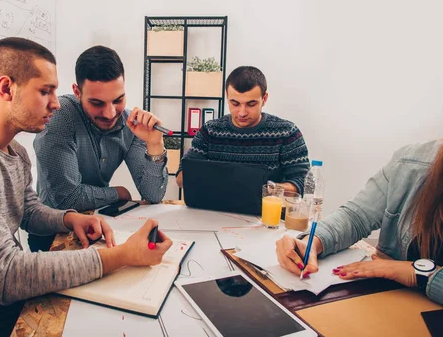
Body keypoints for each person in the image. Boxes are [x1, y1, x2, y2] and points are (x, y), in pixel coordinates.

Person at [0, 38, 173, 335]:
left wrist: (68, 218)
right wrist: (121, 256)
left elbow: (27, 210)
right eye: (45, 92)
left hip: (1, 301)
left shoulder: (14, 151)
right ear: (6, 89)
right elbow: (4, 275)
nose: (55, 103)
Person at [31, 46, 168, 250]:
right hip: (53, 235)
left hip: (103, 228)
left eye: (118, 100)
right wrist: (118, 193)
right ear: (77, 92)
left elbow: (154, 195)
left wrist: (154, 144)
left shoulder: (130, 124)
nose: (110, 113)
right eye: (97, 103)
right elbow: (67, 198)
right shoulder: (59, 117)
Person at [275, 141, 443, 305]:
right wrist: (314, 242)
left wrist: (420, 274)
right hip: (392, 300)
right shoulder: (411, 161)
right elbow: (356, 217)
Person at [176, 66, 309, 193]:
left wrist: (266, 188)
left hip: (265, 213)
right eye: (235, 103)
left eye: (251, 104)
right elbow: (181, 179)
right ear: (227, 96)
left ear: (264, 99)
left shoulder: (287, 133)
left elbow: (303, 182)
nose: (242, 112)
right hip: (216, 210)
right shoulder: (210, 131)